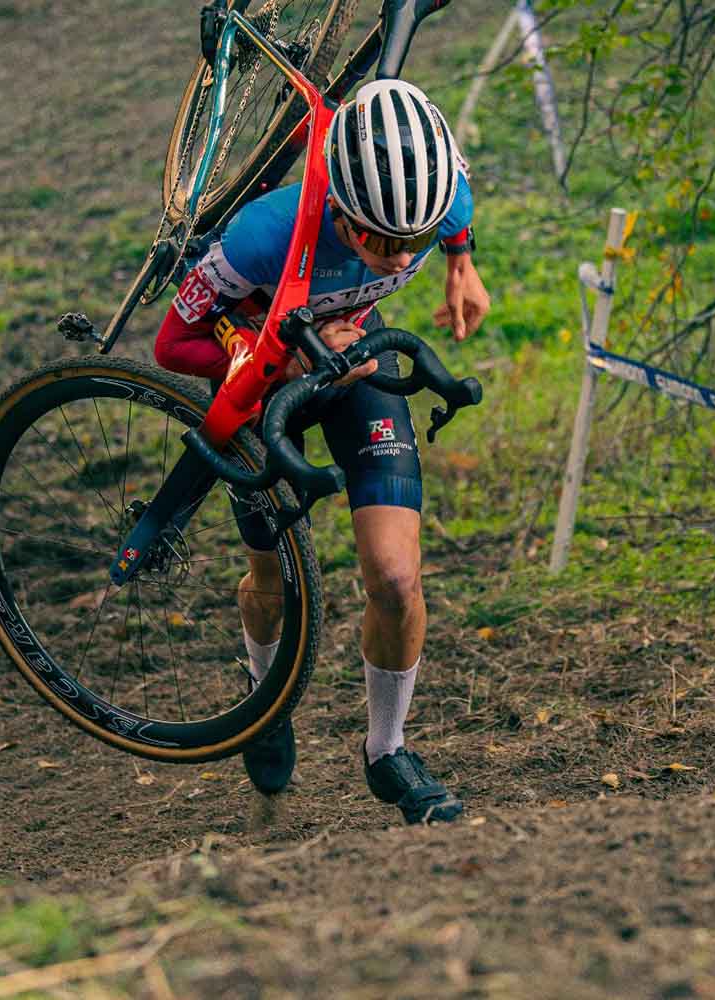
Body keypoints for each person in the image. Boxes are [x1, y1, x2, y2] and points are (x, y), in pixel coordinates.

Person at [154, 79, 490, 824]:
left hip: (356, 363)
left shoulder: (430, 197)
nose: (397, 259)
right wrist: (285, 363)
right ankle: (265, 699)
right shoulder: (262, 236)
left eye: (414, 241)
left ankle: (388, 749)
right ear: (340, 208)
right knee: (275, 582)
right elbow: (172, 345)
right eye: (379, 241)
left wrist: (459, 263)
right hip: (257, 380)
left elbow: (454, 217)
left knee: (396, 579)